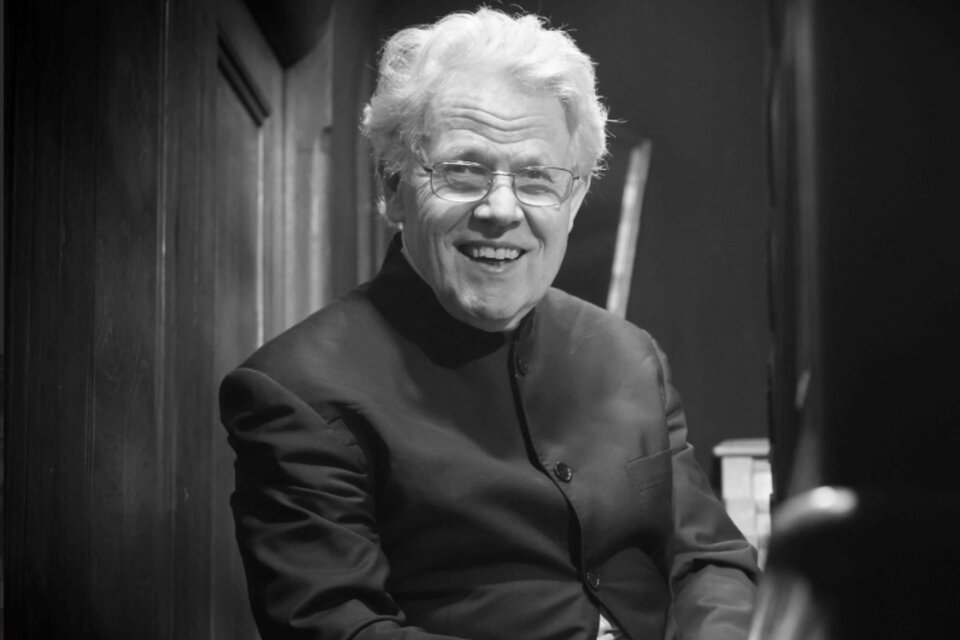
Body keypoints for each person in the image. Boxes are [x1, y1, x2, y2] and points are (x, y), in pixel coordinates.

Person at [220, 8, 758, 640]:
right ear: (393, 186)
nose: (501, 210)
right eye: (463, 170)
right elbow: (342, 629)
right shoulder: (294, 390)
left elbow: (712, 560)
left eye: (536, 178)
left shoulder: (629, 354)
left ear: (576, 197)